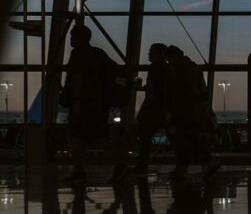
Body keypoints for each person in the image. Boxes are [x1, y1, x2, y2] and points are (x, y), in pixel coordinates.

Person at [60, 24, 127, 185]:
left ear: (78, 38)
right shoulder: (99, 54)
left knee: (76, 137)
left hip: (83, 106)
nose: (70, 39)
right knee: (99, 137)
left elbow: (78, 79)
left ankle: (80, 172)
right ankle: (120, 165)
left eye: (72, 36)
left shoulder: (78, 54)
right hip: (98, 105)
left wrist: (75, 102)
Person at [164, 46, 219, 179]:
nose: (168, 62)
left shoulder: (179, 69)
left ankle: (184, 168)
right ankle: (204, 164)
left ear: (173, 57)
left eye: (168, 59)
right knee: (193, 139)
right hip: (196, 112)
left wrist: (172, 112)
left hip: (184, 112)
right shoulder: (194, 67)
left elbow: (180, 92)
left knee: (183, 140)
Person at [132, 43, 171, 175]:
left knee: (144, 135)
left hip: (153, 108)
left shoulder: (154, 67)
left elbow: (152, 89)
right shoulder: (167, 68)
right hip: (163, 106)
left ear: (159, 54)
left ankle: (142, 164)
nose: (148, 54)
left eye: (151, 51)